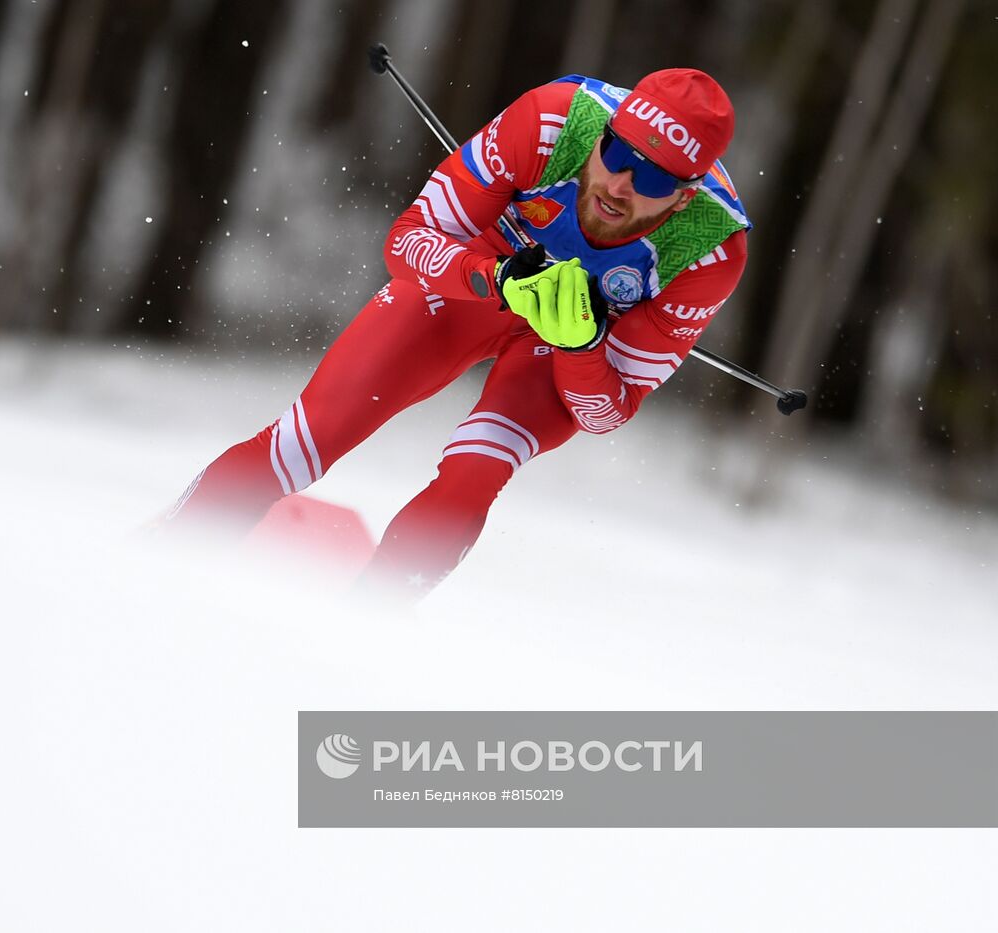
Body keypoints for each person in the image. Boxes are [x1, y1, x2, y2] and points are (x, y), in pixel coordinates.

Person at [166, 68, 750, 598]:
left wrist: (581, 344)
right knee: (312, 435)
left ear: (684, 197)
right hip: (477, 278)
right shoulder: (553, 121)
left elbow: (606, 412)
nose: (619, 184)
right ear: (601, 134)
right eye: (617, 153)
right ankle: (162, 563)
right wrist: (490, 276)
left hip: (563, 346)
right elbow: (407, 241)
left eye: (650, 178)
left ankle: (368, 620)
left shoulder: (710, 250)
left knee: (477, 470)